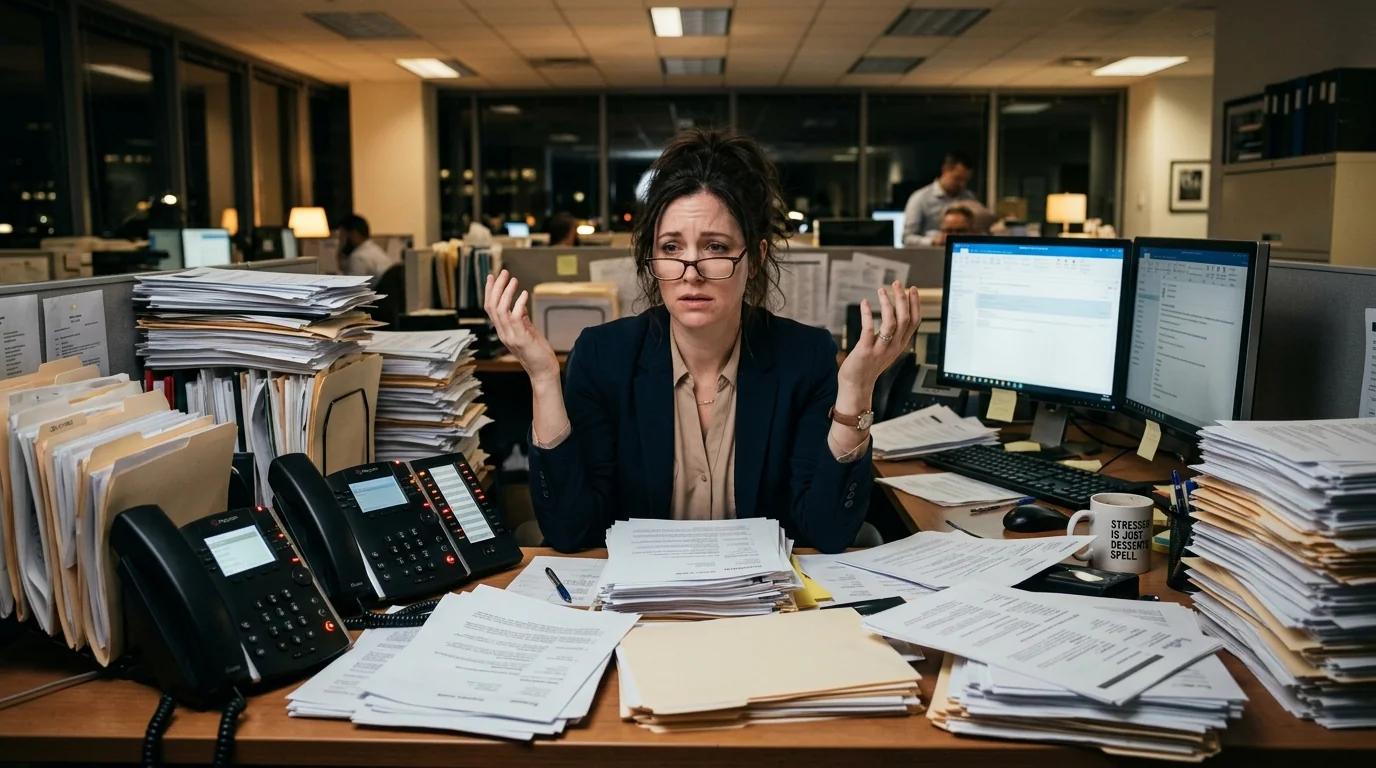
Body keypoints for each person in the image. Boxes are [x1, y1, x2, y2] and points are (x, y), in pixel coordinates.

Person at [483, 129, 921, 553]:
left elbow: (828, 532)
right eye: (671, 248)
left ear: (755, 258)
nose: (691, 270)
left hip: (763, 611)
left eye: (715, 246)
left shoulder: (804, 357)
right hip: (642, 608)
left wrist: (857, 391)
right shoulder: (605, 357)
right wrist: (543, 377)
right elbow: (569, 530)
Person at [902, 152, 979, 247]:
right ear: (945, 170)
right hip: (930, 254)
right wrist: (932, 242)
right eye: (957, 179)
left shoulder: (969, 197)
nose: (962, 184)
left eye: (965, 180)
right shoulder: (920, 198)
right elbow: (907, 238)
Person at [338, 214, 391, 280]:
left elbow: (353, 287)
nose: (340, 240)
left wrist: (340, 252)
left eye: (342, 235)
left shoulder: (359, 257)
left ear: (354, 234)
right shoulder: (376, 250)